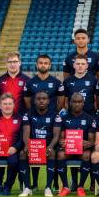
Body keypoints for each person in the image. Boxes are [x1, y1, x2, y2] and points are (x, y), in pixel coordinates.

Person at [23, 54, 64, 188]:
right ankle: (34, 183)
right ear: (37, 64)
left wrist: (53, 113)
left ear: (50, 65)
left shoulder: (56, 82)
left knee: (53, 152)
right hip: (36, 121)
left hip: (52, 122)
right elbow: (28, 102)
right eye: (41, 63)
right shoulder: (30, 82)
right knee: (35, 150)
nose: (43, 65)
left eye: (46, 63)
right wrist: (35, 114)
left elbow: (61, 101)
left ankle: (55, 183)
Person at [19, 91, 62, 197]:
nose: (41, 101)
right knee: (22, 154)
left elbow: (57, 135)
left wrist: (50, 146)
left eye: (44, 98)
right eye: (38, 99)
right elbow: (26, 132)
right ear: (34, 101)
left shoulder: (55, 115)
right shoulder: (28, 114)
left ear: (48, 101)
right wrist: (27, 145)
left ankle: (48, 188)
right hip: (34, 146)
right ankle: (28, 188)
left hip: (48, 146)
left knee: (52, 153)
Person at [57, 93, 95, 197]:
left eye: (79, 102)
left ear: (83, 103)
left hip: (82, 150)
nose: (77, 104)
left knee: (87, 155)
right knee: (60, 155)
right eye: (74, 102)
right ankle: (65, 187)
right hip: (69, 149)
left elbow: (92, 141)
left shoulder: (89, 118)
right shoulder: (64, 118)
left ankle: (80, 187)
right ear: (69, 103)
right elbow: (61, 137)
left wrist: (87, 143)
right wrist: (61, 142)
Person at [0, 52, 30, 116]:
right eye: (9, 62)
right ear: (6, 64)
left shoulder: (27, 80)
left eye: (15, 61)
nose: (12, 64)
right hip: (4, 119)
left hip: (22, 120)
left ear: (19, 63)